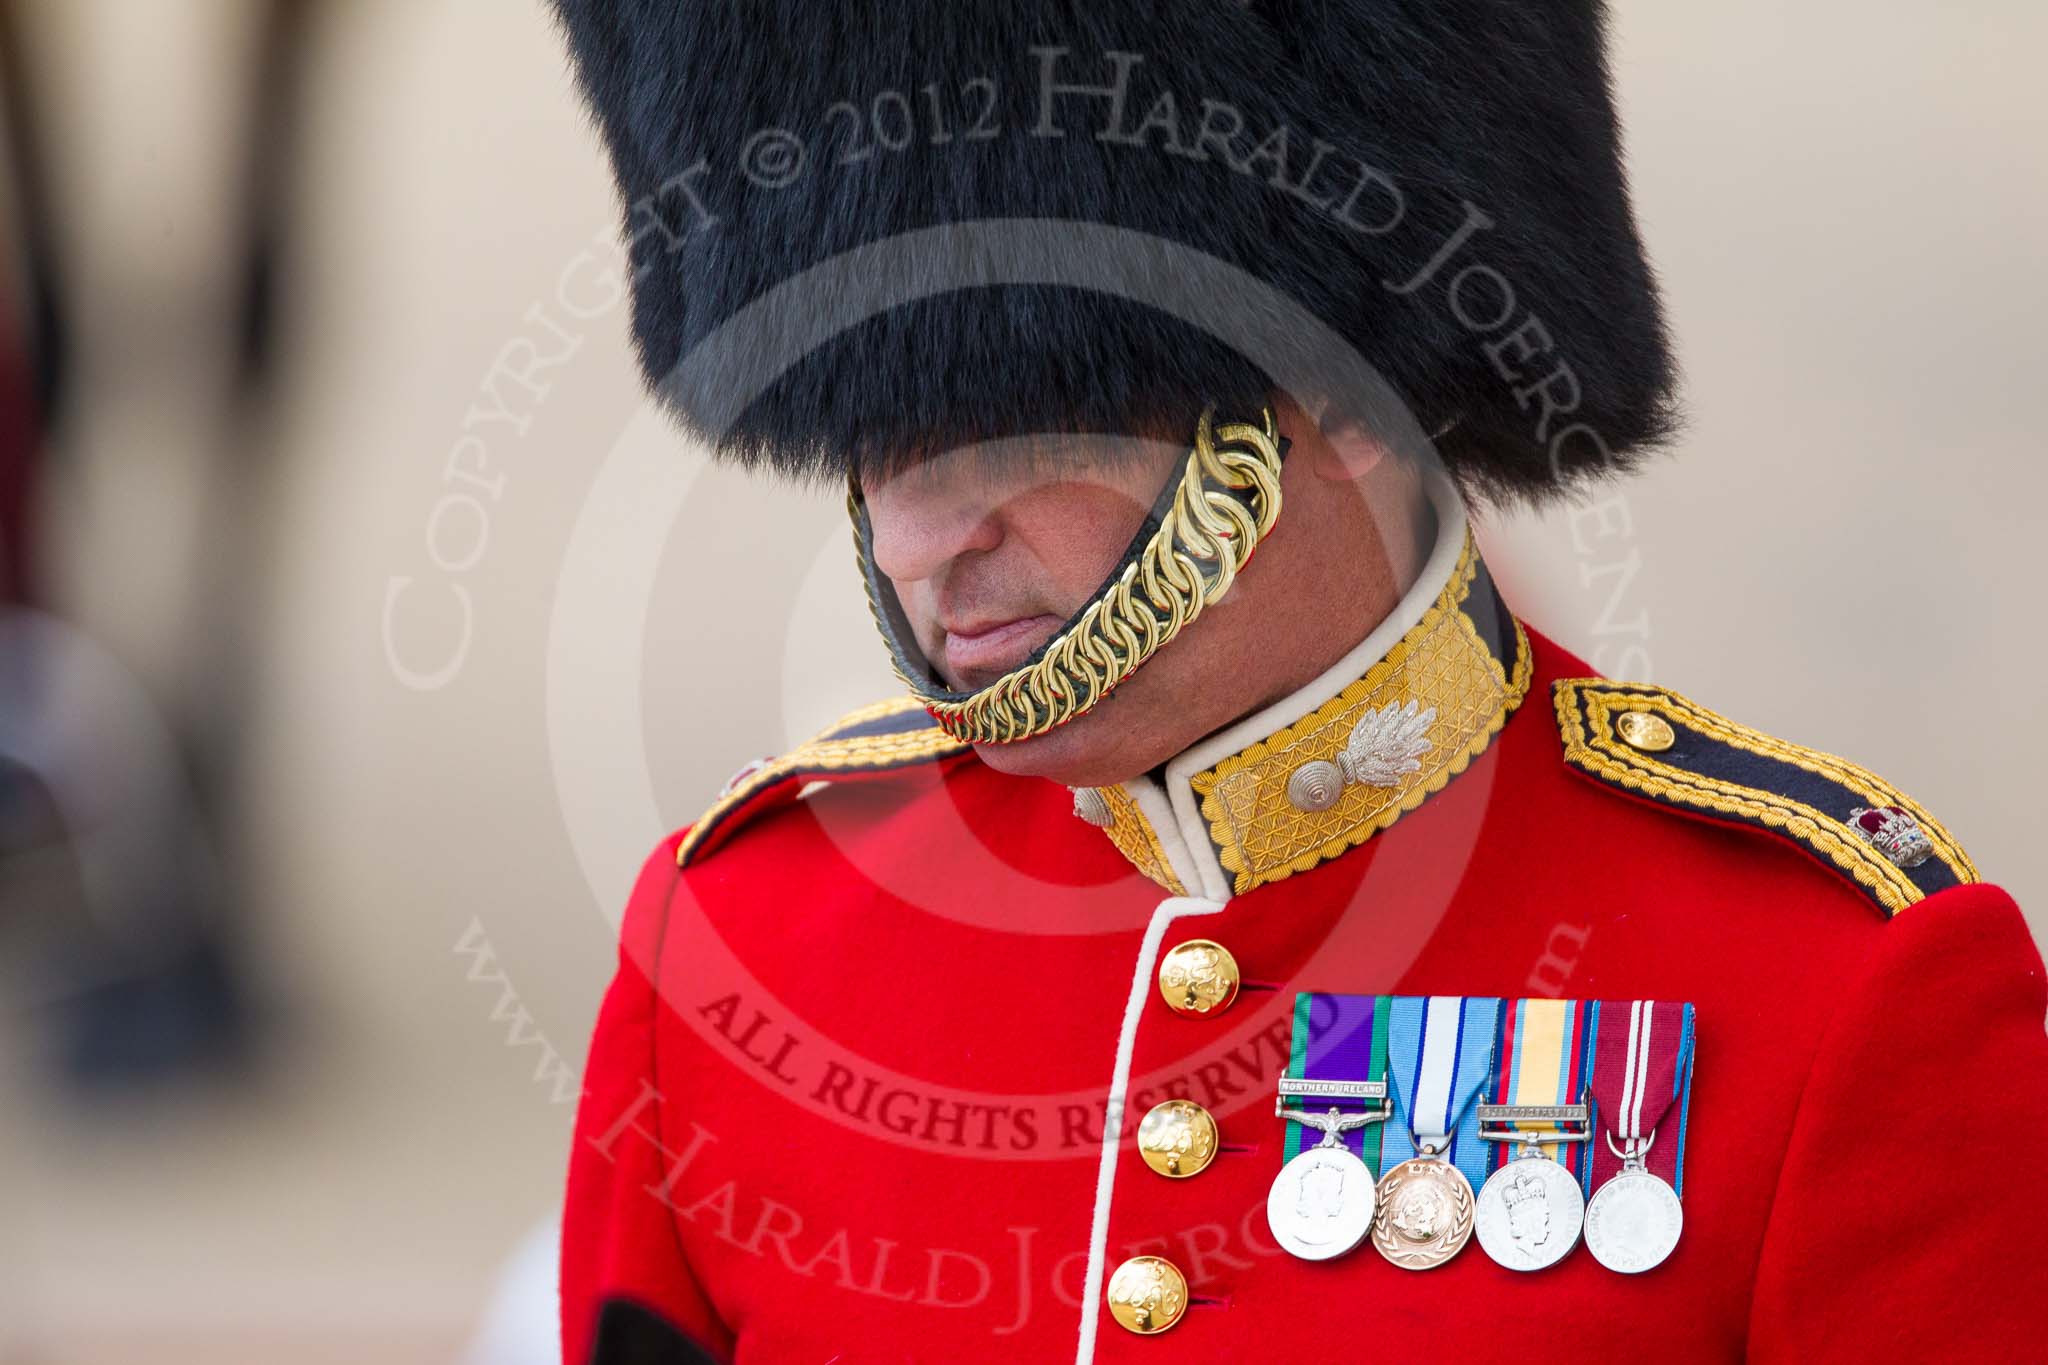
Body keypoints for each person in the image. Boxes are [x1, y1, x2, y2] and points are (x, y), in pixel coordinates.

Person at [545, 3, 2048, 1361]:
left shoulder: (1833, 994)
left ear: (1348, 394)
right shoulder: (733, 954)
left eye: (1012, 426)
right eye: (875, 437)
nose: (924, 535)